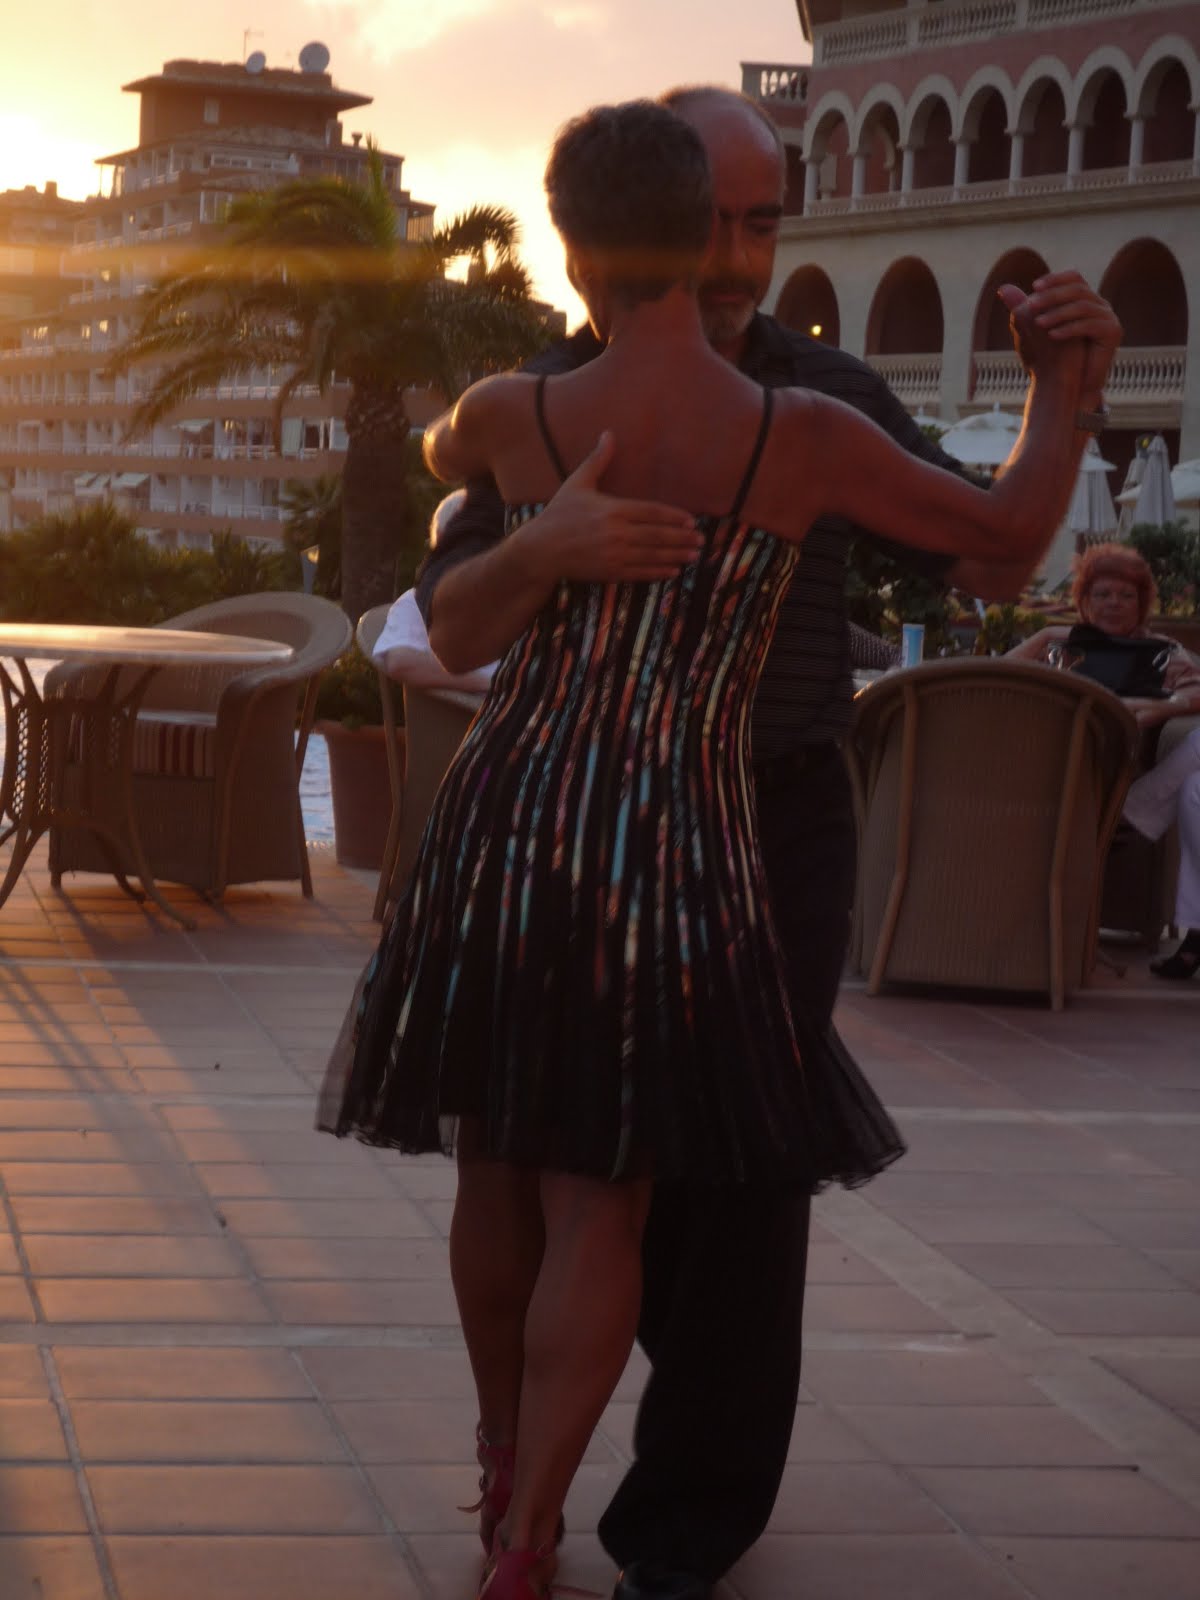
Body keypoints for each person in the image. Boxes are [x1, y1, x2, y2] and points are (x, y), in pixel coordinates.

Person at [322, 98, 1091, 1600]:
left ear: (570, 238)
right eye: (728, 219)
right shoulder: (797, 438)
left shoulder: (513, 411)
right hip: (688, 831)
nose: (749, 248)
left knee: (505, 1168)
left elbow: (432, 465)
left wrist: (526, 503)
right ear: (692, 230)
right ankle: (535, 1527)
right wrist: (1065, 386)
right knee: (596, 1193)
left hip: (528, 814)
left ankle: (513, 1473)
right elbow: (1005, 539)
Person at [1007, 542, 1200, 728]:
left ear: (1140, 604)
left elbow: (1196, 692)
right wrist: (1046, 634)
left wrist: (1153, 711)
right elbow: (999, 678)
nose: (1114, 603)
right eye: (1103, 594)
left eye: (1127, 595)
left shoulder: (1160, 649)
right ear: (1085, 602)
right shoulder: (1062, 647)